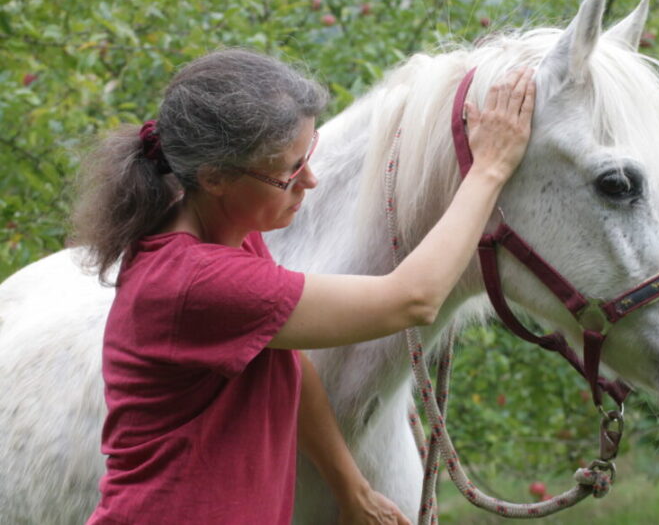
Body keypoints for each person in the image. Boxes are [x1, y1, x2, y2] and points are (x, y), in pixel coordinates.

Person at [73, 49, 536, 524]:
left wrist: (351, 487)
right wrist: (489, 169)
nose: (310, 180)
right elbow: (413, 299)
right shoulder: (197, 281)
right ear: (215, 178)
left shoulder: (222, 232)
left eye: (308, 155)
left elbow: (289, 363)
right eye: (289, 171)